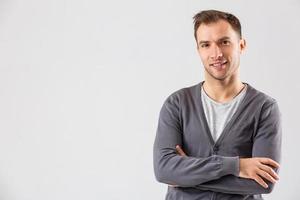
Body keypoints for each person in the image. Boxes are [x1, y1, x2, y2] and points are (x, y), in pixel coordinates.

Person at [153, 10, 282, 200]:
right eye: (206, 45)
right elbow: (163, 170)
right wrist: (236, 167)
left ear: (241, 45)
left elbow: (263, 182)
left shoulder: (264, 108)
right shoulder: (177, 104)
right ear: (198, 50)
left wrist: (186, 175)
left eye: (224, 42)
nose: (216, 53)